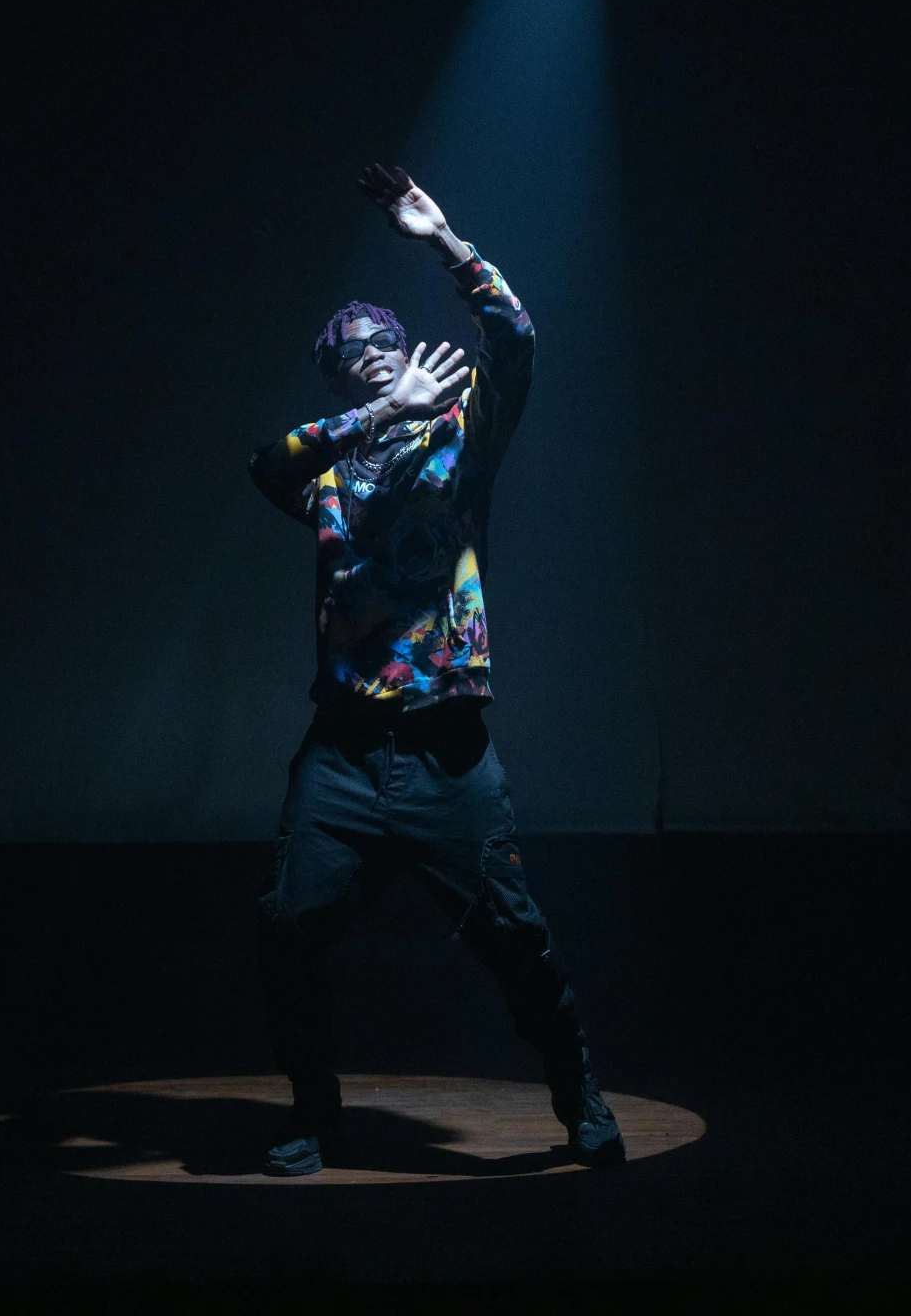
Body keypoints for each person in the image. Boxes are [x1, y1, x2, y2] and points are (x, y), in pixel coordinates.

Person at [244, 163, 624, 1176]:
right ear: (337, 377)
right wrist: (376, 417)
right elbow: (265, 465)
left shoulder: (465, 438)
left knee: (514, 935)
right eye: (348, 356)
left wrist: (443, 240)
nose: (368, 357)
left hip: (446, 747)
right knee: (286, 928)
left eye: (380, 344)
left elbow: (519, 341)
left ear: (406, 349)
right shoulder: (325, 466)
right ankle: (311, 1117)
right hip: (345, 750)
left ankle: (577, 1091)